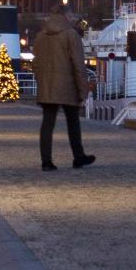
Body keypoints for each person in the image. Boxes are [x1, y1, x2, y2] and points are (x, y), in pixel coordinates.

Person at [33, 9, 94, 171]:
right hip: (68, 86)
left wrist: (41, 82)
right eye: (72, 15)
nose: (74, 18)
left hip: (47, 86)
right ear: (66, 16)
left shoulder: (40, 36)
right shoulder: (71, 34)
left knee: (47, 123)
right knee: (73, 122)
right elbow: (78, 64)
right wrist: (83, 89)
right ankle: (78, 157)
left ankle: (46, 161)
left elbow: (36, 63)